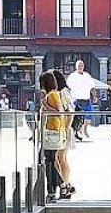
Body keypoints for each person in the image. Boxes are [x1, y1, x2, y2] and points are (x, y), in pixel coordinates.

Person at [38, 72, 67, 203]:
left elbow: (59, 111)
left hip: (53, 132)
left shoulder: (53, 95)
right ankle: (60, 185)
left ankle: (53, 190)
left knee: (47, 161)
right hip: (52, 131)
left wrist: (45, 106)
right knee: (48, 160)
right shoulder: (52, 94)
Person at [54, 70, 75, 198]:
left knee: (60, 159)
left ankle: (65, 185)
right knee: (59, 159)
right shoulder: (59, 93)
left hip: (63, 129)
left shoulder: (62, 93)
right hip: (61, 129)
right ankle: (65, 184)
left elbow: (70, 111)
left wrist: (66, 129)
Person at [67, 59, 96, 141]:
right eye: (79, 66)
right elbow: (68, 88)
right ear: (76, 67)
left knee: (89, 115)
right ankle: (77, 132)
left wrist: (94, 96)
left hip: (86, 99)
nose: (80, 67)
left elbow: (92, 87)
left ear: (83, 66)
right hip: (76, 99)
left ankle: (85, 129)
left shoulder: (87, 75)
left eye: (81, 65)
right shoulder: (72, 76)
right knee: (76, 117)